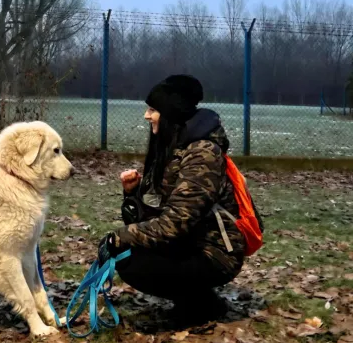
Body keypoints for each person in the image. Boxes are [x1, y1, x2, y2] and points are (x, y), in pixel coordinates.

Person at [97, 74, 263, 319]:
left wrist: (118, 237)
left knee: (132, 262)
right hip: (190, 243)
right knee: (128, 254)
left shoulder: (201, 155)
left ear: (170, 113)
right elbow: (157, 219)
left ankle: (201, 306)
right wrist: (132, 195)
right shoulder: (175, 148)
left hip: (215, 253)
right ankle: (196, 301)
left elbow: (175, 223)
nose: (146, 115)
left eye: (152, 109)